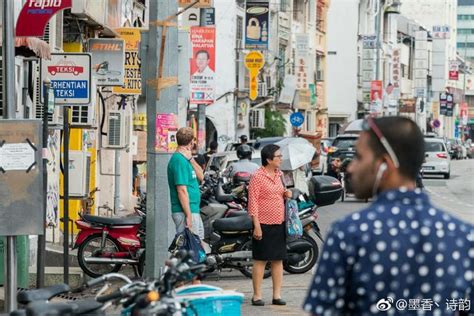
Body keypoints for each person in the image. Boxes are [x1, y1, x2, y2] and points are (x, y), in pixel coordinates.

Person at [303, 116, 474, 315]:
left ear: (384, 164)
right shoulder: (464, 236)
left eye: (359, 157)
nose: (350, 167)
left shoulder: (348, 233)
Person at [248, 144, 292, 306]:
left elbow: (282, 193)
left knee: (278, 260)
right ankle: (257, 295)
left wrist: (287, 194)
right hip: (263, 223)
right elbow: (253, 202)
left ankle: (277, 295)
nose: (281, 159)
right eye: (278, 156)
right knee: (260, 260)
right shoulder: (257, 176)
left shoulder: (279, 174)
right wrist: (256, 225)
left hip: (279, 221)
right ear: (268, 159)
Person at [167, 127, 205, 254]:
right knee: (190, 251)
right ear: (191, 142)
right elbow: (181, 190)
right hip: (185, 212)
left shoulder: (186, 160)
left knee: (196, 247)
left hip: (193, 210)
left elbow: (201, 176)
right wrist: (188, 215)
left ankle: (194, 273)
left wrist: (191, 159)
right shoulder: (178, 160)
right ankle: (183, 273)